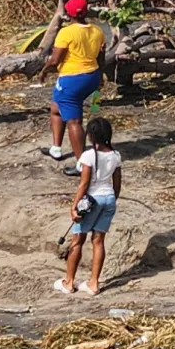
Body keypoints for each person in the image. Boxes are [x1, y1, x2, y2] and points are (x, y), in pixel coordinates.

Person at [57, 117, 122, 298]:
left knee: (77, 240)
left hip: (91, 199)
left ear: (91, 136)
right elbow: (117, 183)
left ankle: (69, 282)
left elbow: (84, 183)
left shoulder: (88, 156)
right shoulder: (116, 156)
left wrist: (74, 206)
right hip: (109, 198)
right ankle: (93, 283)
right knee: (98, 240)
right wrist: (112, 200)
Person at [42, 0, 110, 163]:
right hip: (92, 76)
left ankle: (82, 163)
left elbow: (55, 59)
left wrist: (44, 70)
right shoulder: (97, 31)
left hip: (72, 79)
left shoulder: (66, 33)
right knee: (56, 108)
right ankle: (56, 148)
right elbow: (100, 57)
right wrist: (100, 77)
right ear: (86, 12)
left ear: (68, 13)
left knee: (74, 121)